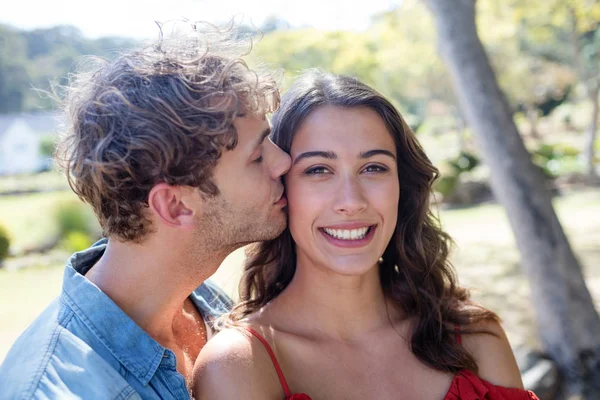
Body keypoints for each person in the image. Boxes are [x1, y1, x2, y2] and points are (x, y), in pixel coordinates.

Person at [193, 70, 540, 400]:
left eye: (373, 167)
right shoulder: (242, 366)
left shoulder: (475, 338)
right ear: (280, 189)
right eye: (318, 170)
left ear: (402, 186)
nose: (351, 201)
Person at [0, 23, 291, 399]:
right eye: (257, 156)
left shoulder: (207, 305)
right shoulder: (56, 389)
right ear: (175, 205)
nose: (283, 161)